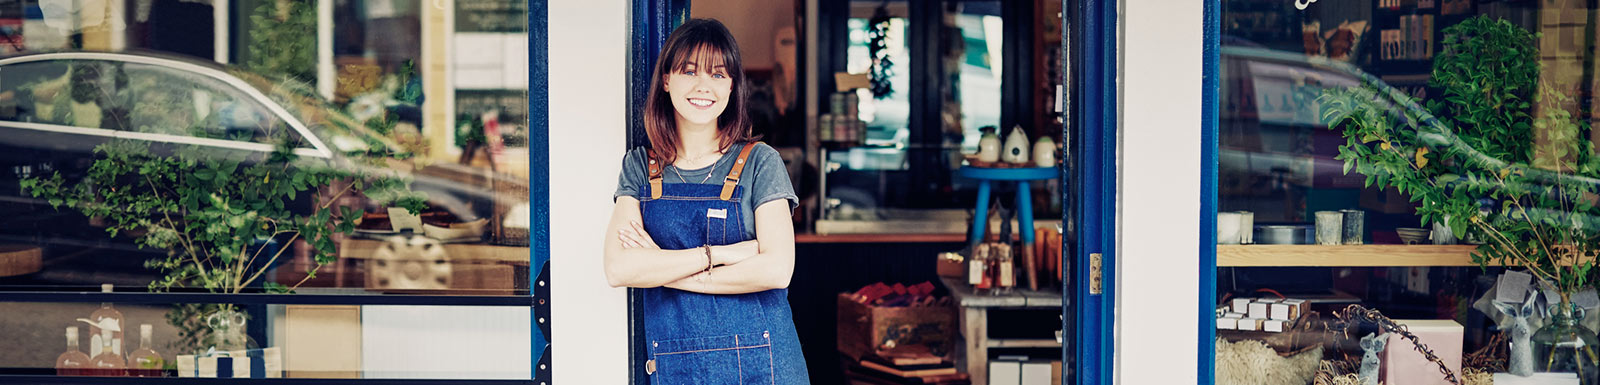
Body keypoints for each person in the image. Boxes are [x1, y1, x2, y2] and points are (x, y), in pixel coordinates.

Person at [603, 18, 810, 384]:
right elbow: (620, 269)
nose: (704, 86)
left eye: (718, 74)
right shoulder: (639, 167)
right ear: (666, 79)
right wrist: (722, 255)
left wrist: (663, 270)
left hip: (766, 370)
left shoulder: (760, 162)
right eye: (689, 71)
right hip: (677, 367)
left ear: (732, 86)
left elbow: (777, 270)